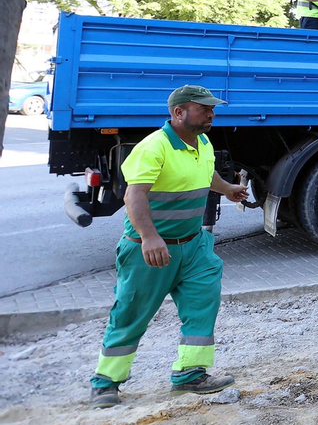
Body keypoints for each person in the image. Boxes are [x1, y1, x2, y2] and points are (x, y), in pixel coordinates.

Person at [89, 85, 249, 408]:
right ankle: (106, 382)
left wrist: (227, 188)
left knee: (203, 301)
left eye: (211, 109)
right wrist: (149, 236)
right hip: (150, 249)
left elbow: (207, 172)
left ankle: (190, 374)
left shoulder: (202, 142)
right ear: (179, 113)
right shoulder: (154, 147)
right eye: (203, 109)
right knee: (131, 312)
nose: (211, 114)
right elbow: (133, 196)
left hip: (193, 247)